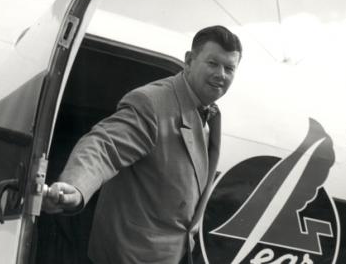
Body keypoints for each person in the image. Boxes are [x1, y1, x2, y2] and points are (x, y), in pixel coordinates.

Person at [43, 25, 242, 264]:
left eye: (229, 68)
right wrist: (75, 186)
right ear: (189, 60)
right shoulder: (152, 103)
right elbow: (105, 145)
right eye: (212, 63)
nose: (221, 74)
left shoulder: (210, 113)